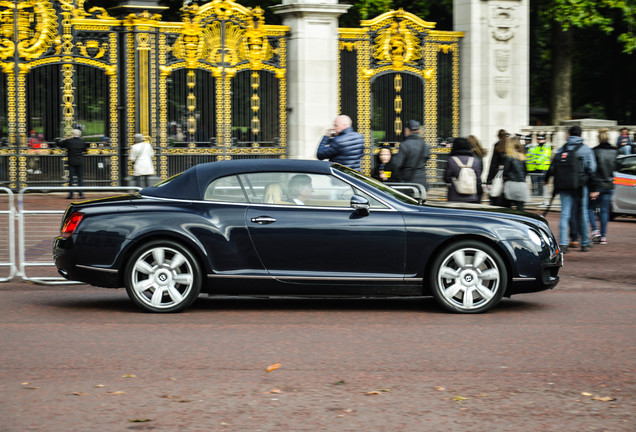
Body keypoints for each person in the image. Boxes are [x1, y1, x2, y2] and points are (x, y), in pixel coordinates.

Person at [545, 125, 597, 253]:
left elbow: (552, 167)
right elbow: (592, 169)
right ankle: (584, 243)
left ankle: (563, 244)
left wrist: (546, 179)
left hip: (563, 185)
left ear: (569, 135)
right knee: (583, 213)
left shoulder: (562, 149)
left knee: (565, 214)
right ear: (581, 135)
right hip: (580, 185)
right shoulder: (586, 149)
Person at [588, 128, 618, 245]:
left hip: (598, 184)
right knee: (604, 211)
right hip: (609, 184)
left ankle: (595, 230)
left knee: (589, 208)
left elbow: (593, 170)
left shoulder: (595, 151)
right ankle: (604, 236)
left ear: (599, 138)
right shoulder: (615, 151)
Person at [392, 120, 431, 189]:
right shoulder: (424, 145)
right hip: (422, 181)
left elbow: (398, 164)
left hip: (408, 181)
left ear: (407, 130)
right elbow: (426, 158)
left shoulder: (404, 145)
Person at [443, 137, 481, 203]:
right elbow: (478, 179)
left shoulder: (451, 160)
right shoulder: (475, 161)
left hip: (454, 196)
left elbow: (446, 178)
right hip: (472, 196)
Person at [58, 128, 89, 199]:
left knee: (71, 178)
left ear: (72, 134)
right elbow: (85, 149)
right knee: (80, 178)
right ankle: (81, 194)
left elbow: (59, 144)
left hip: (71, 161)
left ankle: (71, 195)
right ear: (80, 135)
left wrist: (65, 139)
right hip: (80, 161)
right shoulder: (82, 142)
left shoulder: (69, 141)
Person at [502, 136, 530, 211]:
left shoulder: (509, 156)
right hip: (522, 184)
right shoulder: (522, 156)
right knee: (520, 208)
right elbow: (526, 171)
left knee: (508, 208)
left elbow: (505, 171)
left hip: (511, 183)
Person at [486, 129, 509, 206]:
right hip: (507, 173)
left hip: (497, 172)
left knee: (497, 193)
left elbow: (493, 163)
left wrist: (488, 179)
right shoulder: (509, 145)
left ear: (498, 136)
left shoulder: (497, 145)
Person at [526, 134, 551, 198]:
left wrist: (536, 161)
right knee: (536, 183)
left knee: (542, 183)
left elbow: (544, 156)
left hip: (544, 168)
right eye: (539, 139)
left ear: (545, 140)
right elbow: (533, 156)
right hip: (537, 167)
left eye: (541, 139)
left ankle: (542, 195)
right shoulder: (535, 147)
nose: (540, 141)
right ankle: (538, 195)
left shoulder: (547, 147)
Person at [467, 134, 487, 203]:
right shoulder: (479, 156)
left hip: (468, 186)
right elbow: (481, 170)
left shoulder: (468, 156)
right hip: (478, 185)